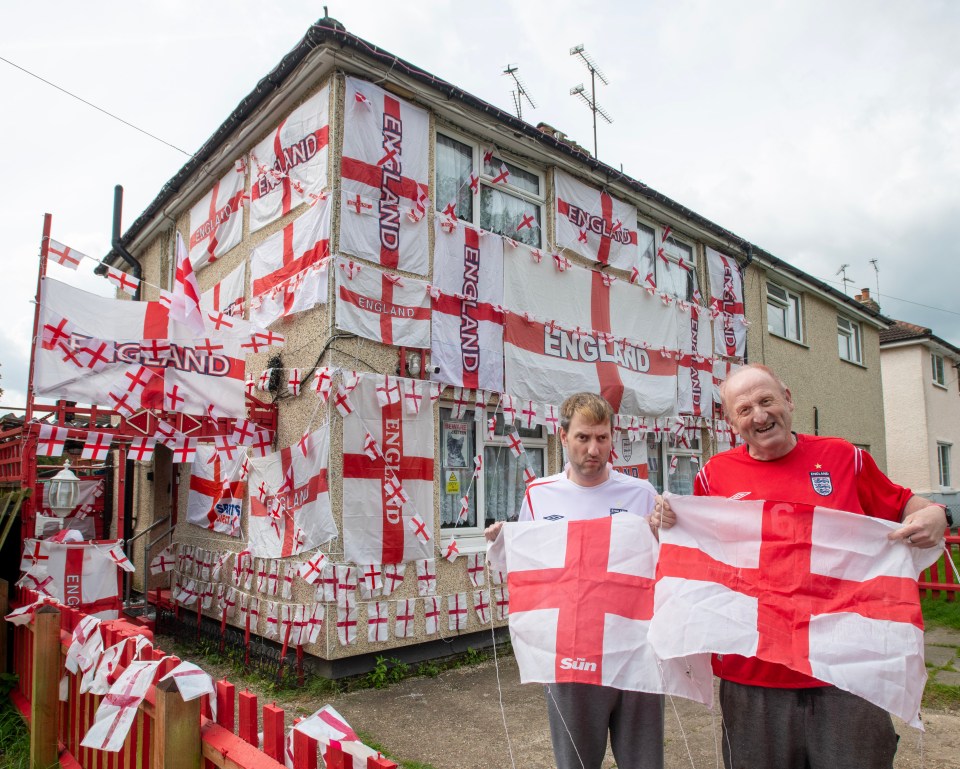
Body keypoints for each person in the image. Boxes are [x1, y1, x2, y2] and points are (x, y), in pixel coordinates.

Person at [651, 363, 947, 769]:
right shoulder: (712, 476)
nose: (759, 415)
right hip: (753, 673)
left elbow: (906, 505)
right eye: (744, 409)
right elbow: (701, 556)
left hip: (845, 668)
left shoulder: (845, 458)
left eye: (766, 400)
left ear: (788, 399)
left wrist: (935, 513)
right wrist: (665, 523)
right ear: (730, 422)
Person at [485, 392, 664, 769]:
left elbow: (663, 564)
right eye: (583, 437)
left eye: (602, 438)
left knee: (644, 762)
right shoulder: (539, 494)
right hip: (570, 654)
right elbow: (530, 571)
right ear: (563, 436)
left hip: (634, 648)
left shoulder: (641, 494)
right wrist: (505, 541)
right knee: (577, 763)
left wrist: (668, 530)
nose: (593, 448)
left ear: (613, 438)